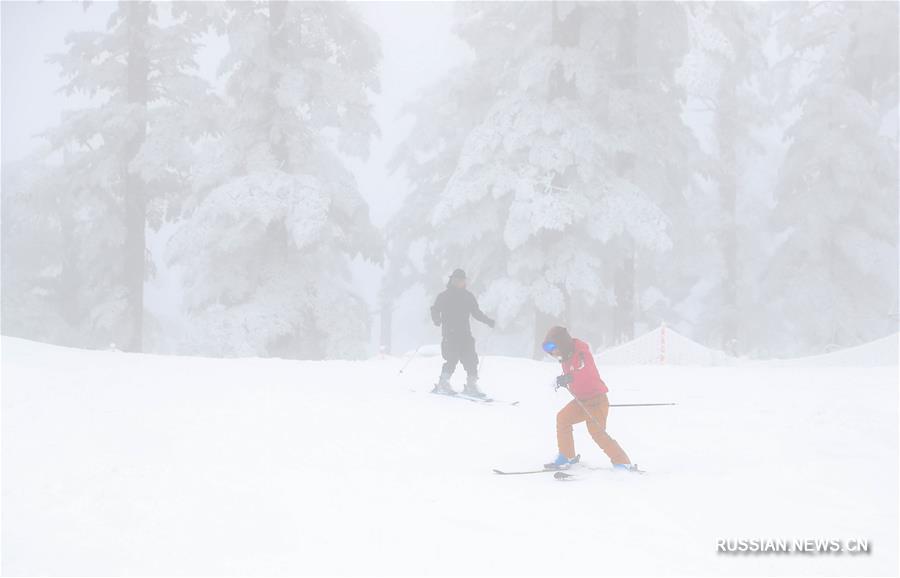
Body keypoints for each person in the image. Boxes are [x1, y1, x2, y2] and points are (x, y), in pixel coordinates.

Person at [541, 326, 634, 471]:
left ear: (562, 343)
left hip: (597, 401)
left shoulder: (582, 353)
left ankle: (623, 462)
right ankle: (567, 456)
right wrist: (564, 380)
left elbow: (584, 371)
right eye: (547, 347)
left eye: (552, 346)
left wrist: (569, 377)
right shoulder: (565, 357)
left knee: (597, 432)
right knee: (563, 418)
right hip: (581, 401)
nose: (551, 351)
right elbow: (574, 376)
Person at [430, 269, 495, 397]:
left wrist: (488, 321)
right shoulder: (444, 296)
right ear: (452, 280)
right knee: (452, 358)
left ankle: (471, 385)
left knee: (471, 359)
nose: (460, 283)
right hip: (450, 333)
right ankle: (443, 383)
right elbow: (435, 309)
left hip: (465, 333)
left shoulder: (468, 296)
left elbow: (476, 313)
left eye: (462, 280)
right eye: (457, 280)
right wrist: (436, 319)